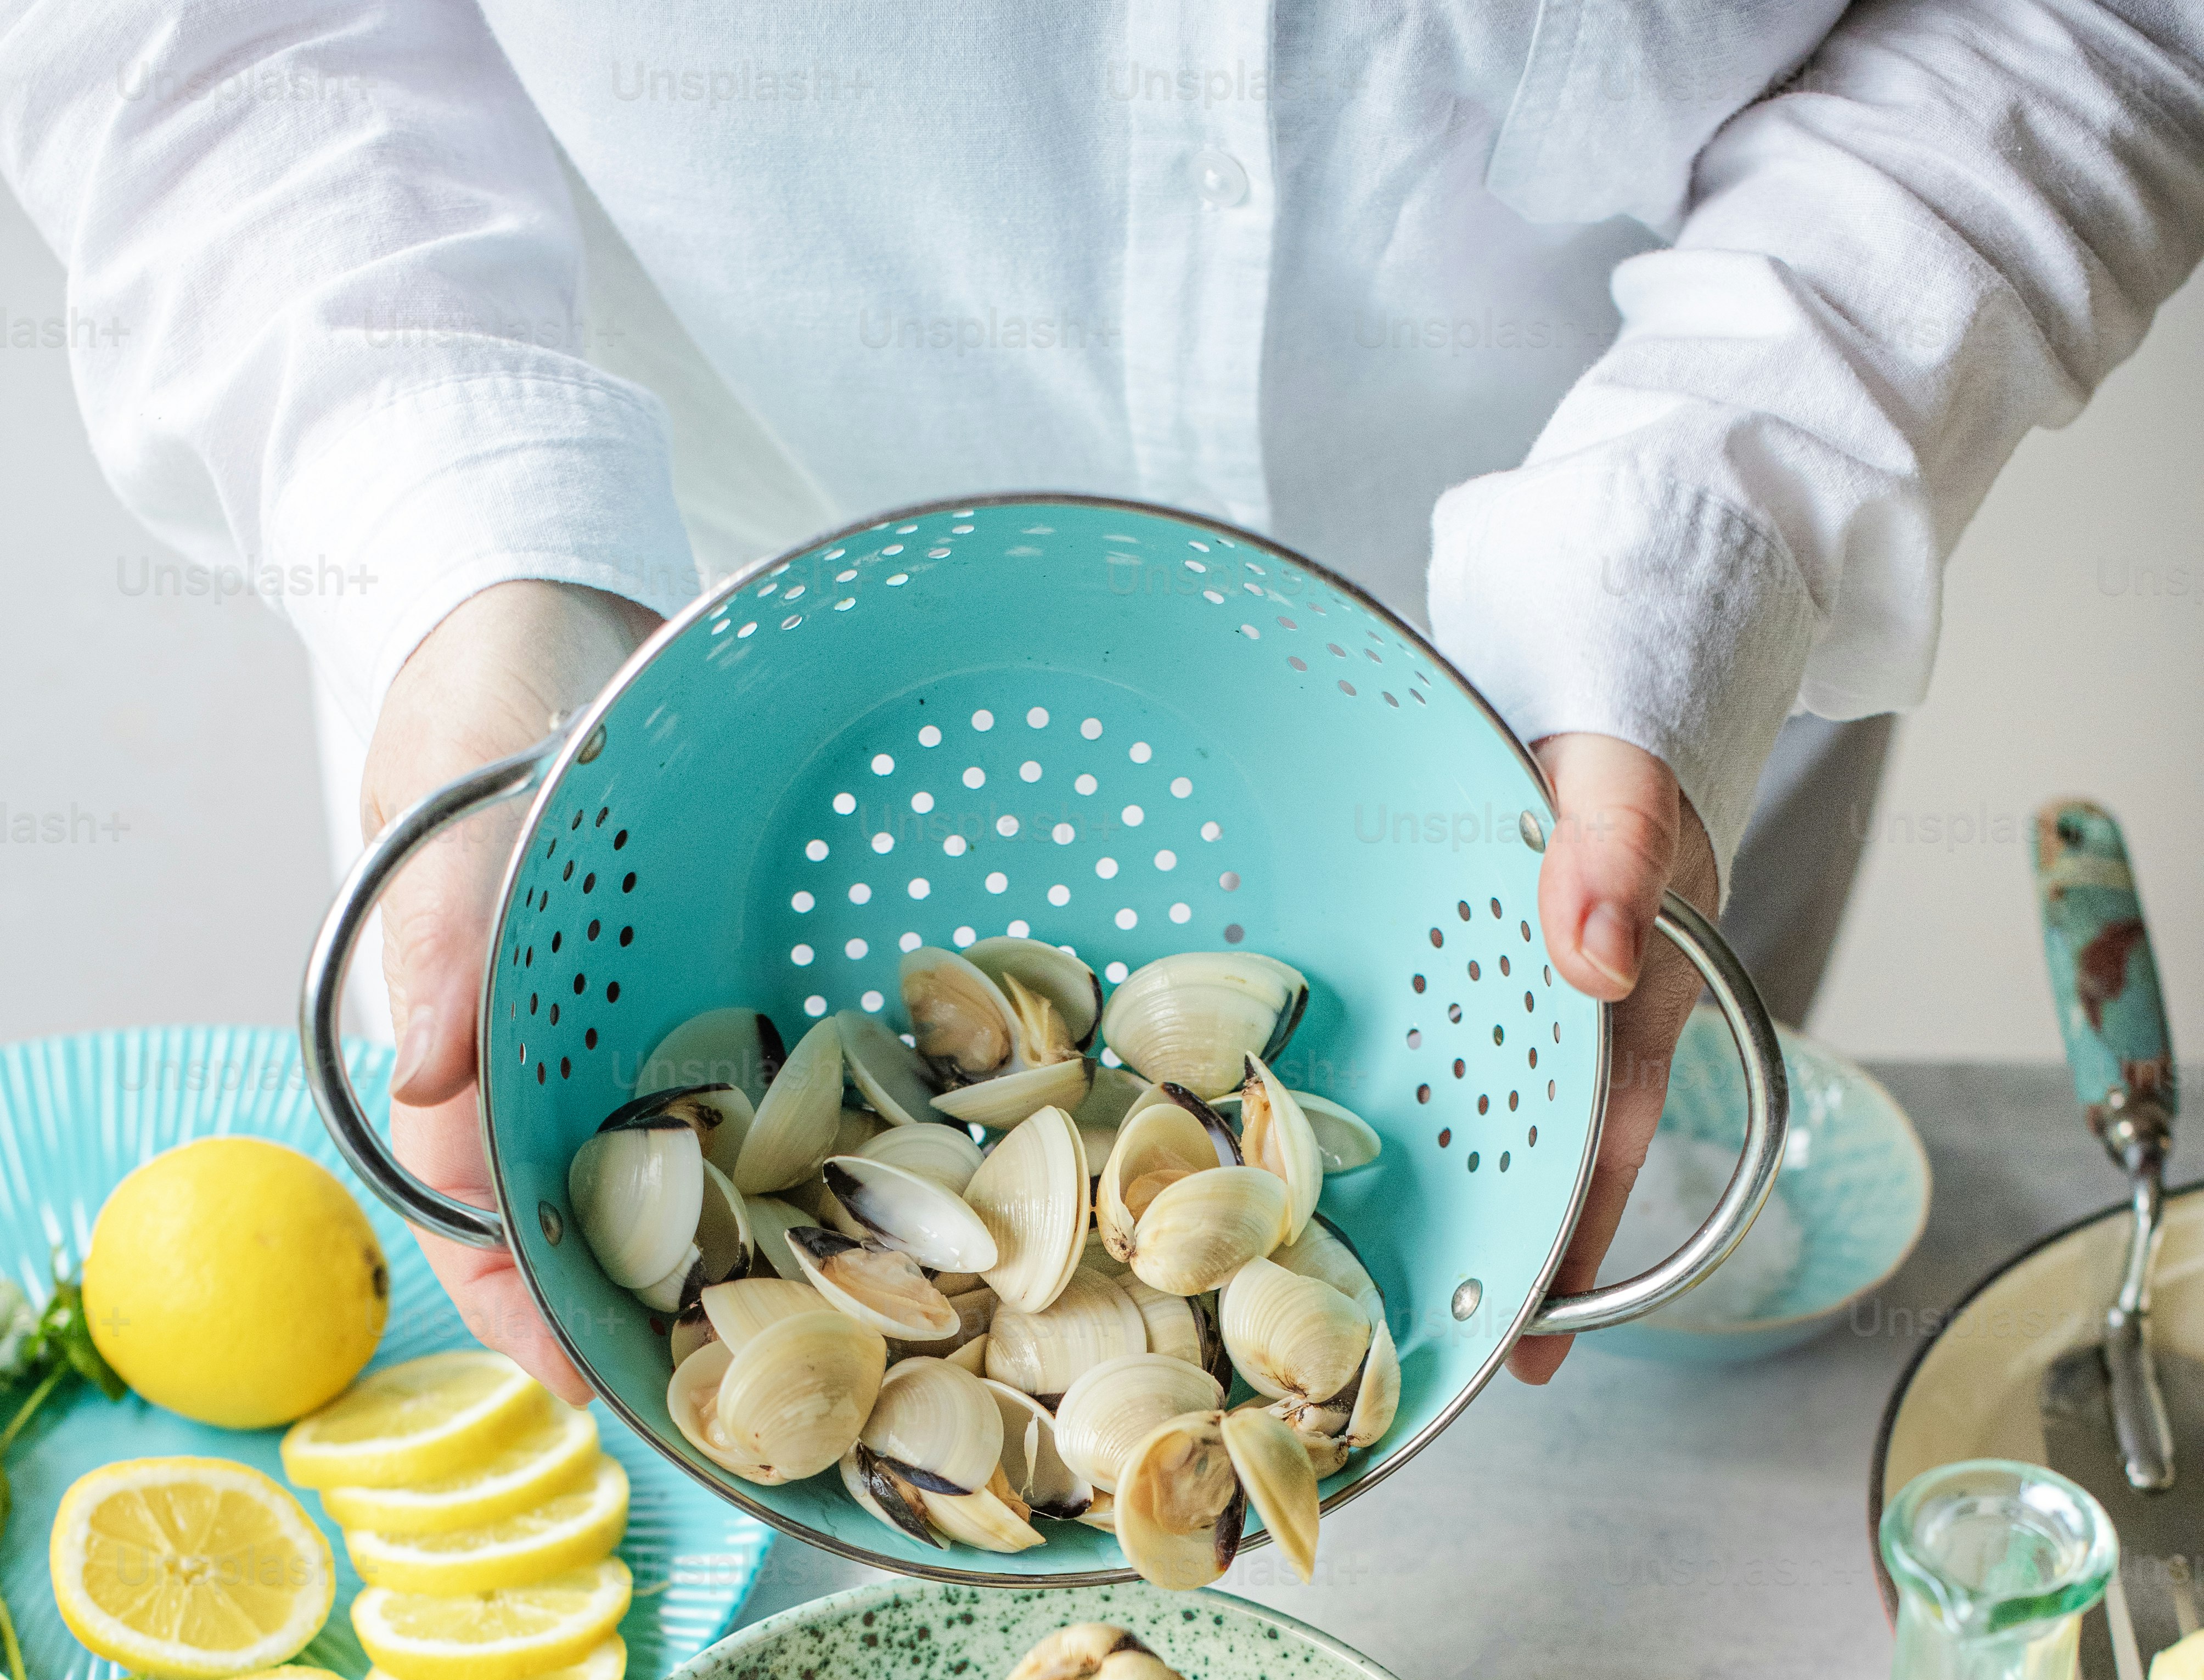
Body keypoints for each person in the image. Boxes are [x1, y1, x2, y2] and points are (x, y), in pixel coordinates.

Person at [5, 4, 2200, 1400]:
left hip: (1587, 719)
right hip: (709, 703)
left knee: (1539, 1297)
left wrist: (1692, 551)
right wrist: (464, 562)